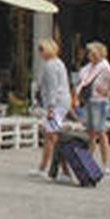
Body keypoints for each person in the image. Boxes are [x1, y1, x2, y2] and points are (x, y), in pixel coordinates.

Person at [75, 40, 110, 174]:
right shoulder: (87, 68)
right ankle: (89, 161)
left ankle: (105, 164)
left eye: (91, 52)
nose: (89, 55)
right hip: (89, 101)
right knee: (90, 133)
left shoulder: (104, 68)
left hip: (100, 102)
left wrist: (109, 93)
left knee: (101, 132)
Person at [31, 38, 71, 178]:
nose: (40, 53)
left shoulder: (51, 66)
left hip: (56, 104)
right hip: (62, 102)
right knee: (52, 135)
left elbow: (52, 88)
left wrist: (50, 108)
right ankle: (54, 168)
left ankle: (52, 168)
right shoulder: (58, 63)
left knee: (51, 136)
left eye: (41, 50)